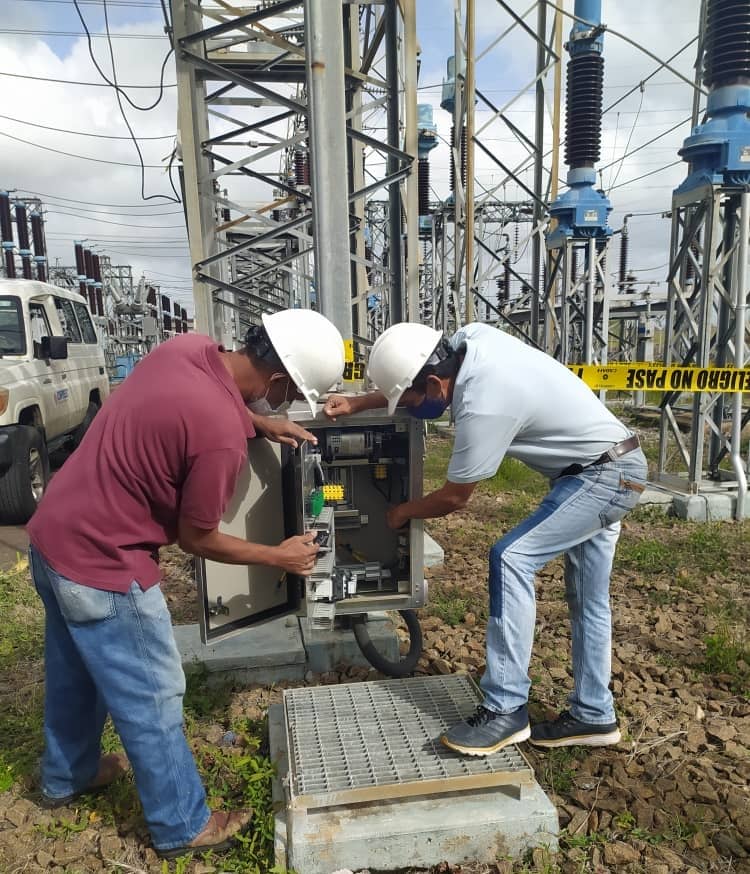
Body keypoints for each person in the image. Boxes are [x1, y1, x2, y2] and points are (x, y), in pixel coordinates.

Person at [27, 309, 345, 858]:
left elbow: (201, 404)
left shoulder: (186, 350)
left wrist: (259, 423)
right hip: (105, 565)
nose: (285, 406)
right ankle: (182, 825)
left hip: (53, 539)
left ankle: (65, 776)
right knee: (153, 695)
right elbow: (197, 538)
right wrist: (278, 556)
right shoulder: (219, 435)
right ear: (276, 381)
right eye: (287, 396)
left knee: (75, 671)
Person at [324, 321, 647, 757]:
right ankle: (594, 715)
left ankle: (504, 708)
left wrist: (401, 512)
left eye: (413, 400)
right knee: (588, 598)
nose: (410, 407)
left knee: (511, 557)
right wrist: (360, 402)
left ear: (438, 383)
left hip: (605, 477)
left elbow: (455, 497)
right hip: (607, 464)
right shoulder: (469, 339)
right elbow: (417, 377)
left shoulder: (485, 403)